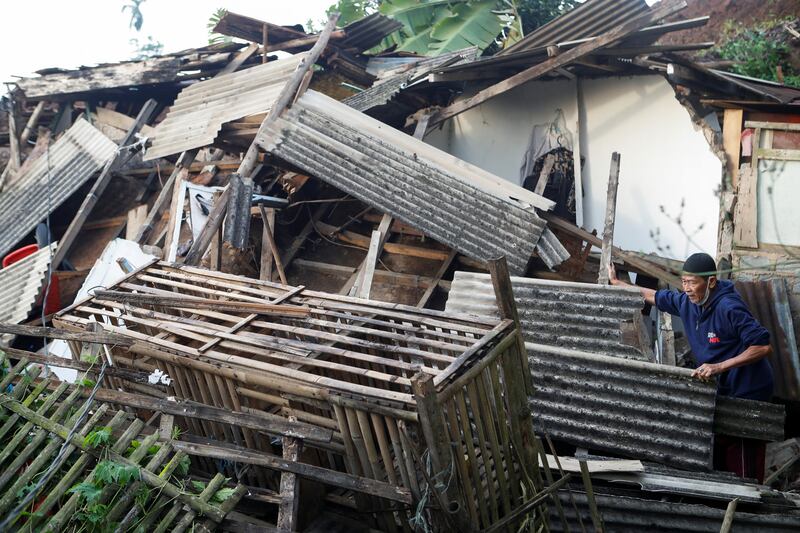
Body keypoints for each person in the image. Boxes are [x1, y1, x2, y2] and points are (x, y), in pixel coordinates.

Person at [607, 252, 774, 480]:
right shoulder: (687, 302)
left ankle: (747, 506)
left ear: (711, 282)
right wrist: (618, 284)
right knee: (718, 452)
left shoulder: (729, 307)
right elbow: (654, 296)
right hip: (722, 390)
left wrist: (719, 366)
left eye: (692, 282)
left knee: (743, 460)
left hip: (749, 390)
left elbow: (763, 347)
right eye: (684, 281)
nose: (686, 288)